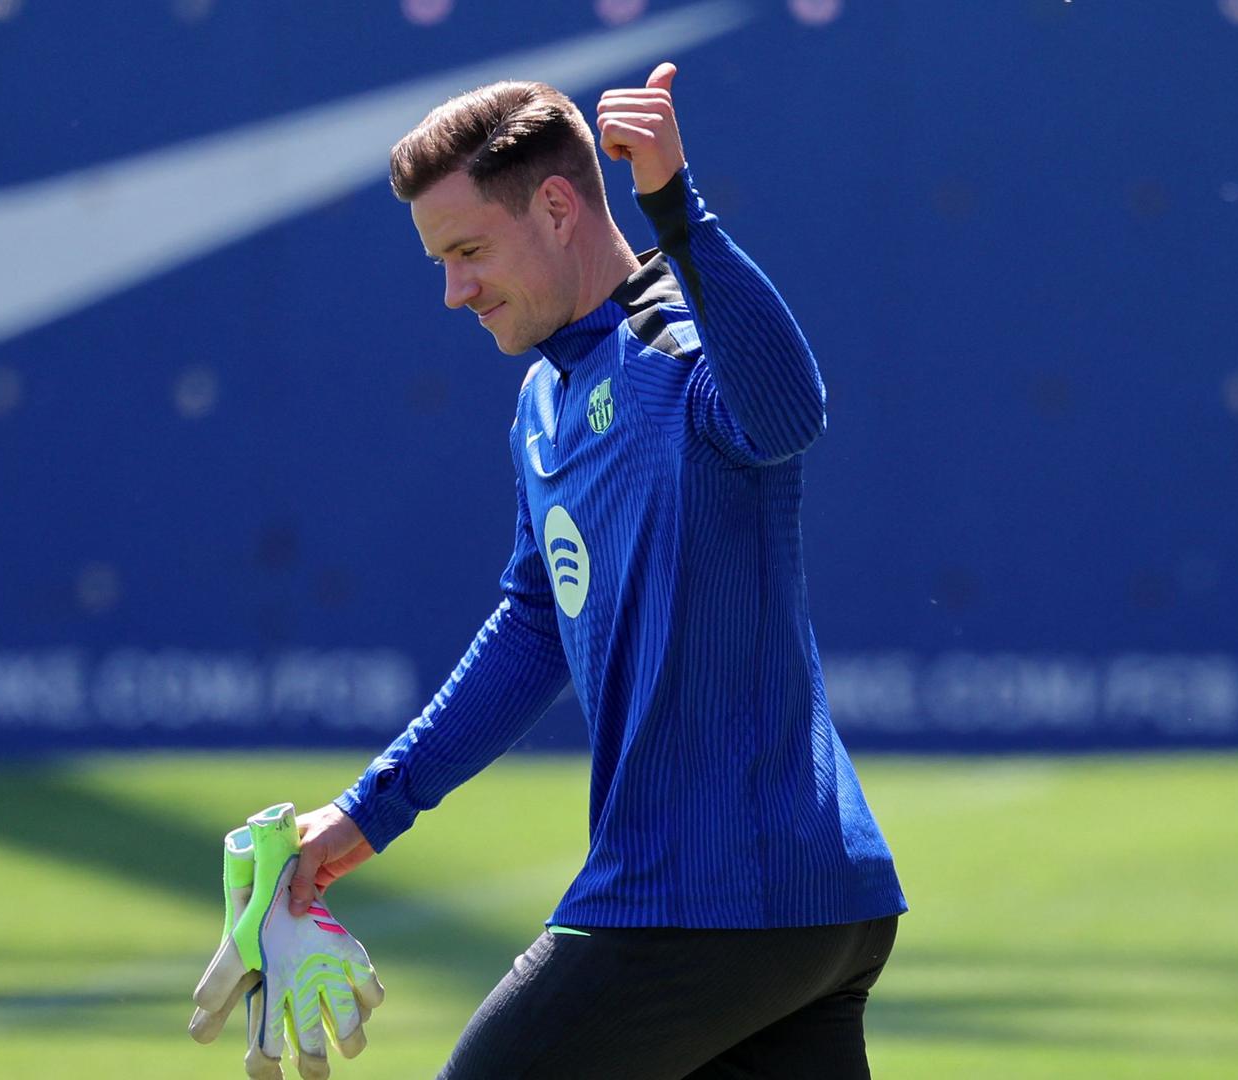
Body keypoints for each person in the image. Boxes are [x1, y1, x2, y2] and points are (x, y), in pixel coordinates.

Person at [286, 62, 907, 1079]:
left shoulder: (677, 341)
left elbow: (790, 418)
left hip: (699, 901)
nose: (454, 291)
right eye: (440, 261)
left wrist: (677, 207)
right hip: (804, 913)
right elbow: (535, 626)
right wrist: (371, 809)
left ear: (557, 207)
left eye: (469, 252)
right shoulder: (544, 399)